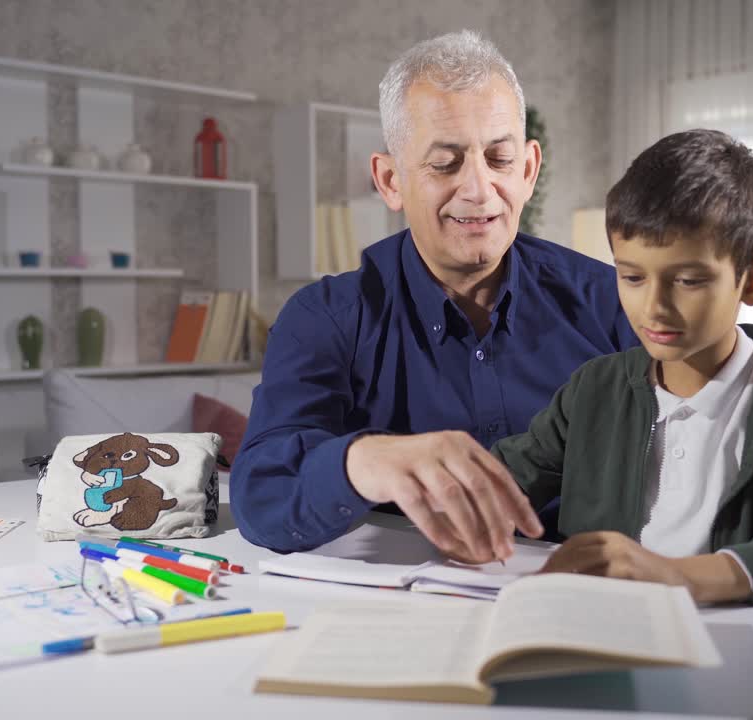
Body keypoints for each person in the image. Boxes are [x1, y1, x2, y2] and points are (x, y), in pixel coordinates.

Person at [230, 30, 637, 561]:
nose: (478, 190)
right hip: (407, 606)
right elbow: (262, 498)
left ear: (529, 169)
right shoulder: (325, 319)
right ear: (390, 180)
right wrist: (365, 461)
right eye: (445, 164)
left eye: (499, 159)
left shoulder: (611, 300)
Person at [491, 129, 753, 604]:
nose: (653, 307)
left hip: (734, 654)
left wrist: (680, 576)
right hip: (595, 635)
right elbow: (504, 487)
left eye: (688, 280)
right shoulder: (594, 388)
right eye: (631, 276)